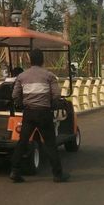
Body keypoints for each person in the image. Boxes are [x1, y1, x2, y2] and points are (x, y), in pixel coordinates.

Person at [9, 48, 69, 183]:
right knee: (50, 143)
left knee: (23, 142)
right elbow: (56, 95)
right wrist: (51, 104)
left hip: (29, 112)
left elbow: (14, 96)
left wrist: (22, 104)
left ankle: (14, 171)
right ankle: (58, 175)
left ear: (30, 60)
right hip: (44, 113)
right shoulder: (49, 76)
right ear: (42, 60)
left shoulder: (22, 76)